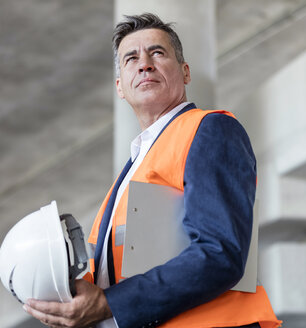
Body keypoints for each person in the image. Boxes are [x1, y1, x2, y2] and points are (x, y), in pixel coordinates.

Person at [24, 13, 281, 328]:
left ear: (185, 72)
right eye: (131, 58)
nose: (144, 63)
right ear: (120, 87)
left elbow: (220, 253)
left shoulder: (210, 129)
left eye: (157, 53)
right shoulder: (130, 175)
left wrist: (108, 304)